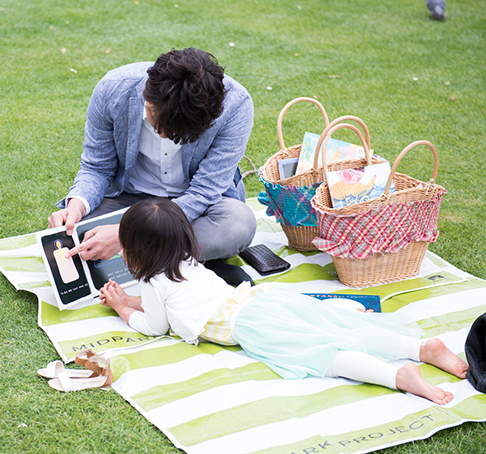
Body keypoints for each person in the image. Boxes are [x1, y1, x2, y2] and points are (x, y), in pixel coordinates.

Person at [99, 198, 470, 405]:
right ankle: (422, 347)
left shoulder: (154, 279)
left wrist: (122, 309)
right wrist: (130, 298)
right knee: (336, 324)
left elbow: (156, 325)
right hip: (261, 299)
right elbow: (169, 302)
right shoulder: (185, 262)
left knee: (322, 354)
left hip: (249, 326)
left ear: (136, 251)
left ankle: (397, 376)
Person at [47, 48, 256, 285]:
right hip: (130, 200)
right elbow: (97, 168)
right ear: (146, 96)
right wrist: (77, 205)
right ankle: (186, 263)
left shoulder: (236, 106)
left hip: (193, 210)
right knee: (73, 233)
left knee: (237, 225)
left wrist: (125, 235)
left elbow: (202, 194)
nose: (164, 135)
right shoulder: (112, 90)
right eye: (156, 122)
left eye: (177, 133)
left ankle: (129, 259)